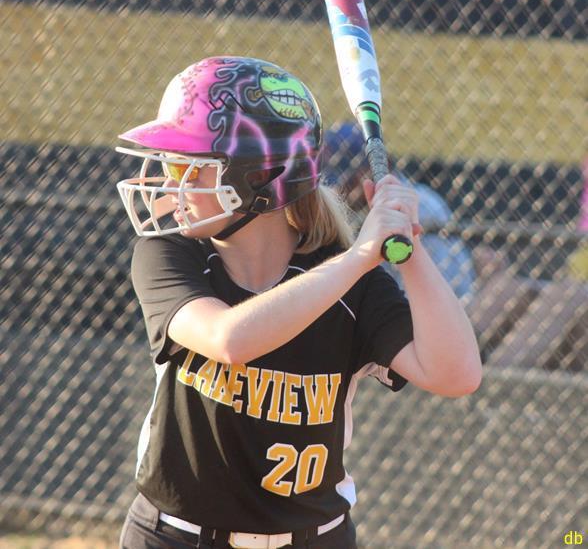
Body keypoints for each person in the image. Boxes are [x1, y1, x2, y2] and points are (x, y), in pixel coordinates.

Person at [115, 56, 482, 549]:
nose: (168, 182)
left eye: (187, 166)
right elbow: (230, 339)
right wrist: (359, 257)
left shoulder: (351, 284)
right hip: (176, 538)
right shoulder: (170, 254)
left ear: (257, 179)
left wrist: (408, 247)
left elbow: (457, 375)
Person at [322, 122, 476, 301]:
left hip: (449, 303)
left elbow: (431, 294)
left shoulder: (419, 205)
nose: (338, 190)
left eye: (349, 180)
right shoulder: (354, 210)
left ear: (378, 166)